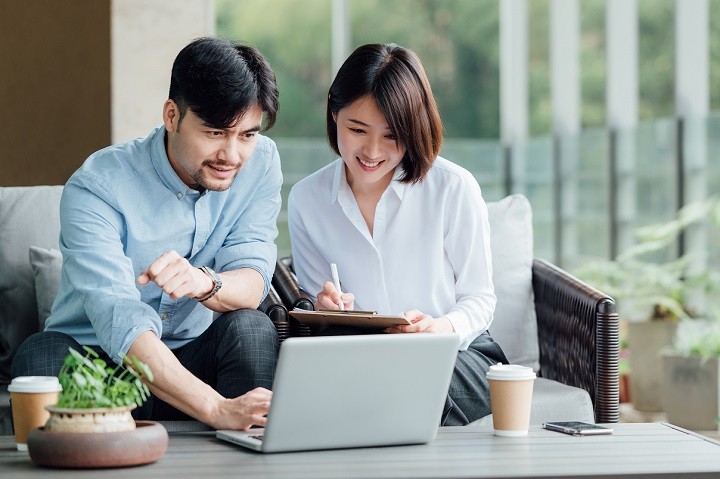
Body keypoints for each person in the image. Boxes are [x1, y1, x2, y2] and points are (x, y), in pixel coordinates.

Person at [12, 37, 282, 430]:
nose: (233, 155)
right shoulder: (96, 187)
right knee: (40, 358)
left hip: (194, 356)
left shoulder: (262, 164)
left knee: (252, 328)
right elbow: (121, 320)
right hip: (101, 365)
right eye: (216, 133)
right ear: (172, 115)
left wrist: (204, 282)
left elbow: (253, 279)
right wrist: (215, 408)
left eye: (247, 135)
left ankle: (247, 459)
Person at [287, 43, 508, 426]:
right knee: (370, 383)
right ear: (334, 113)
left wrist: (439, 329)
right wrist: (324, 308)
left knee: (410, 383)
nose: (372, 151)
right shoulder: (307, 199)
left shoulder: (452, 188)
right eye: (357, 130)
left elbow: (479, 298)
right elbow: (316, 311)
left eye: (391, 136)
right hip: (364, 359)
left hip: (456, 354)